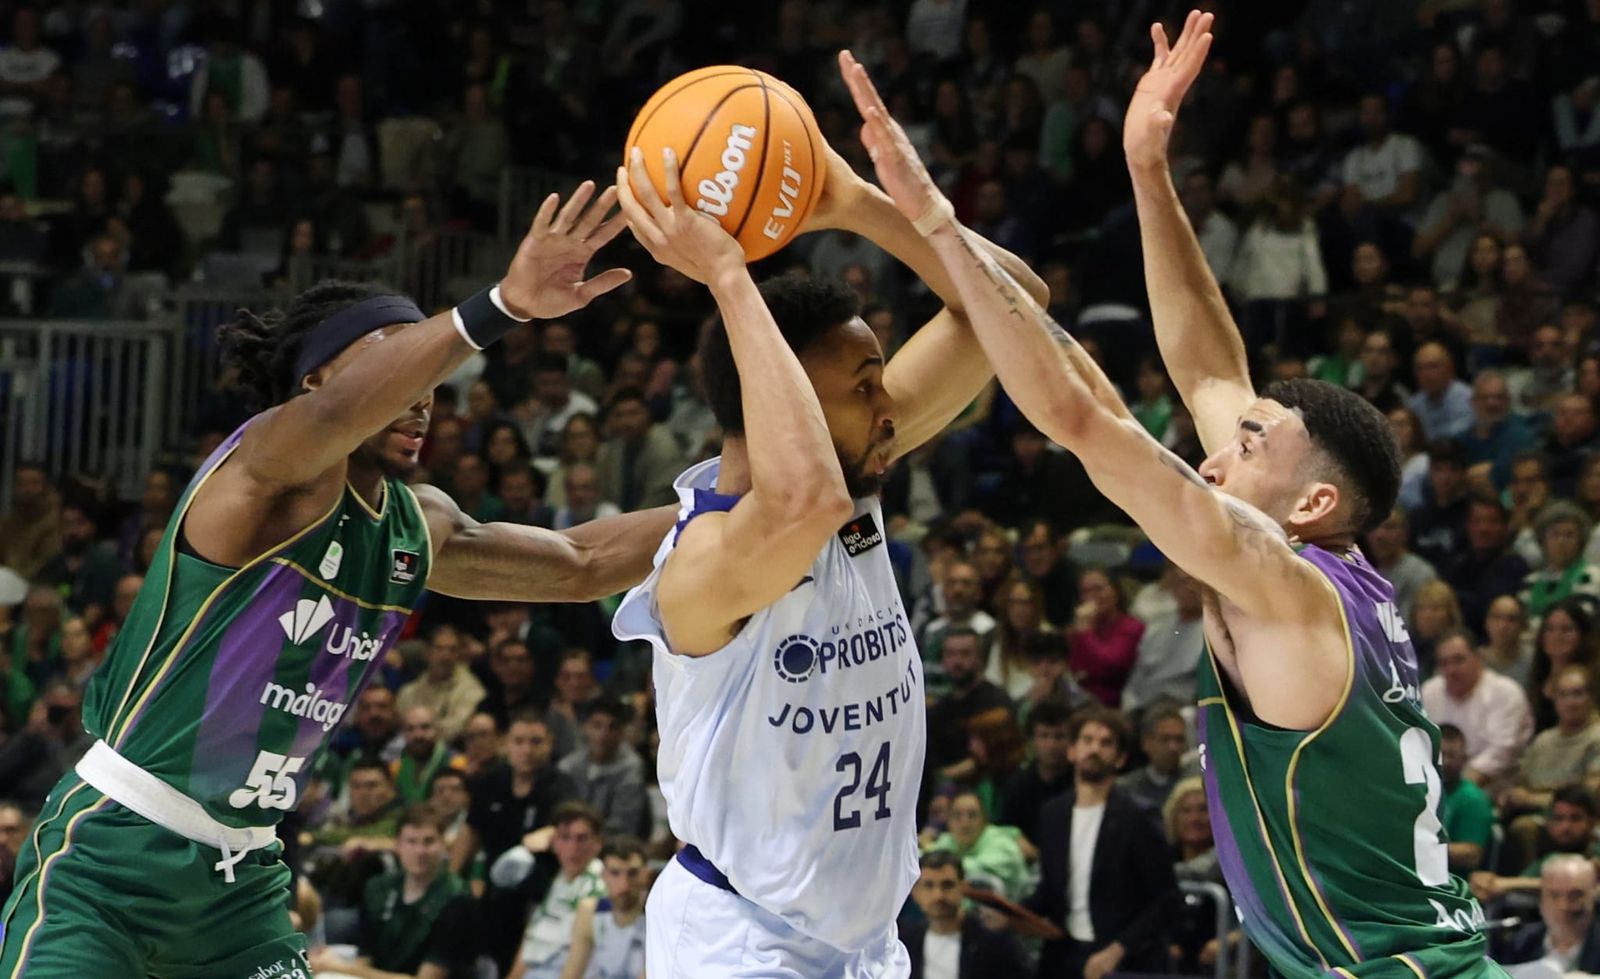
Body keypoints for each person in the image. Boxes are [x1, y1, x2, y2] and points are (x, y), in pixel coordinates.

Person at [838, 11, 1500, 976]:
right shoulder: (1337, 567)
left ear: (1311, 503)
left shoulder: (1278, 577)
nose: (1215, 449)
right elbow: (1207, 367)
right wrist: (1149, 167)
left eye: (1249, 440)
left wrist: (927, 222)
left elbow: (1080, 417)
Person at [0, 180, 679, 978]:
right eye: (394, 364)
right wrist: (501, 305)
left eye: (426, 378)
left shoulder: (414, 521)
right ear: (320, 380)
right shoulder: (262, 473)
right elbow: (328, 425)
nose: (423, 396)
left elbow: (582, 563)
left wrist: (747, 503)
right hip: (110, 863)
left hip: (242, 890)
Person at [610, 115, 1047, 974]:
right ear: (788, 403)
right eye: (864, 387)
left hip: (864, 943)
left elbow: (1016, 303)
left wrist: (850, 202)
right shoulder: (703, 565)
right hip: (741, 944)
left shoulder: (854, 469)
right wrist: (730, 278)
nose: (891, 406)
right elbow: (799, 500)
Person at [1023, 707, 1180, 976]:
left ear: (1120, 759)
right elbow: (1051, 889)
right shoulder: (1052, 814)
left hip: (1124, 960)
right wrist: (1013, 913)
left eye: (1106, 742)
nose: (1094, 749)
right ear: (1072, 751)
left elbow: (1165, 899)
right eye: (1087, 740)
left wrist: (1117, 950)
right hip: (1065, 955)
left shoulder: (1139, 816)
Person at [308, 804, 476, 979]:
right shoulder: (379, 888)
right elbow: (365, 958)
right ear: (398, 845)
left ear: (444, 845)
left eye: (429, 841)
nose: (420, 852)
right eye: (411, 841)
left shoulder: (458, 899)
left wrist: (340, 968)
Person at [499, 801, 606, 979]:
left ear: (597, 844)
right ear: (554, 842)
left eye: (582, 838)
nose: (573, 848)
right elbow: (500, 878)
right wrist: (526, 846)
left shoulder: (600, 886)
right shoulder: (554, 879)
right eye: (565, 838)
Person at [900, 850, 1031, 979]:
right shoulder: (905, 942)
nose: (938, 895)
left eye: (947, 885)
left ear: (963, 887)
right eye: (929, 886)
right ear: (915, 893)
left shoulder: (992, 939)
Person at [557, 694, 646, 838]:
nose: (603, 734)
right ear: (584, 727)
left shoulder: (631, 768)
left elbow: (624, 827)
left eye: (612, 727)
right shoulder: (567, 766)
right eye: (596, 725)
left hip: (611, 846)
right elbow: (558, 816)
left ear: (622, 732)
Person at [559, 836, 648, 979]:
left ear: (645, 875)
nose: (624, 885)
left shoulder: (659, 916)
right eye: (615, 873)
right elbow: (571, 973)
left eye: (632, 873)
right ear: (603, 875)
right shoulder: (590, 911)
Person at [1492, 855, 1600, 972]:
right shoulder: (1520, 943)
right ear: (1541, 898)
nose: (1564, 905)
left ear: (1593, 895)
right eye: (1554, 895)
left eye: (1575, 895)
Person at [1437, 724, 1495, 874]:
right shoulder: (1417, 791)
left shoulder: (1472, 799)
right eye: (1441, 754)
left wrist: (1419, 848)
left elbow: (1472, 854)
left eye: (1452, 756)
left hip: (1452, 884)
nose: (1446, 762)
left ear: (1464, 759)